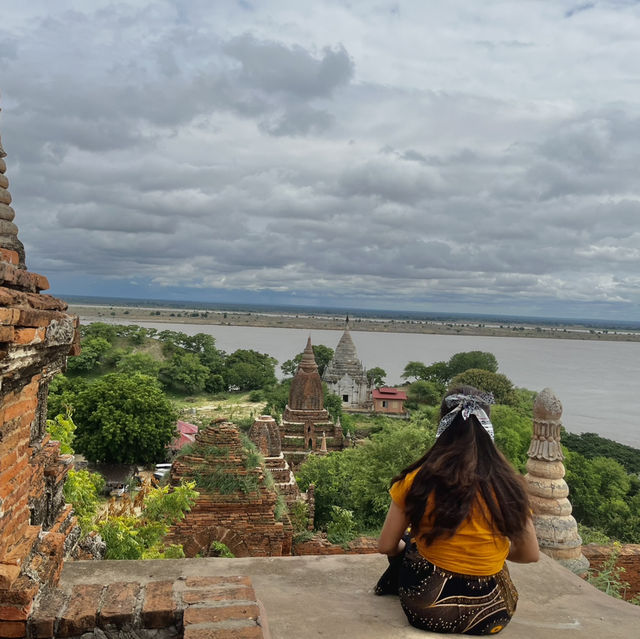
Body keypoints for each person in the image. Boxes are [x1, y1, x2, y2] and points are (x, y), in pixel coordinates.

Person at [376, 385, 539, 635]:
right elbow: (529, 554)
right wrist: (486, 550)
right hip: (493, 614)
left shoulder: (416, 480)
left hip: (428, 609)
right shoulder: (511, 485)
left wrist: (406, 550)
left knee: (410, 540)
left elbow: (386, 545)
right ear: (487, 427)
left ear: (443, 424)